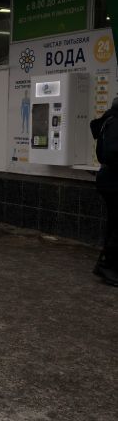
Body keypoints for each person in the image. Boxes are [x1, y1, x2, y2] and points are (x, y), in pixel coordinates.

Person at [90, 96, 118, 286]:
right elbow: (112, 153)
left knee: (114, 224)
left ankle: (106, 264)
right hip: (113, 179)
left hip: (110, 179)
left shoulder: (109, 119)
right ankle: (108, 266)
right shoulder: (115, 122)